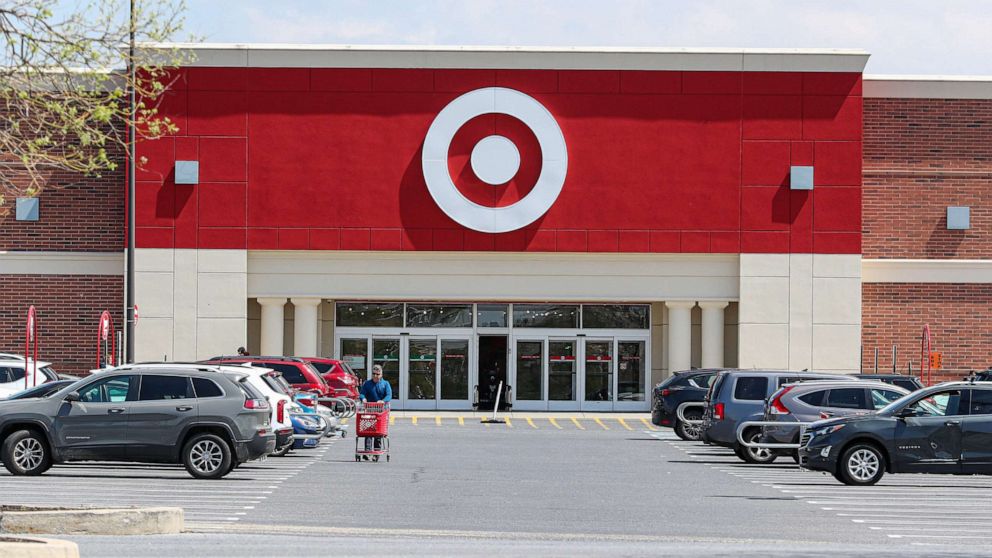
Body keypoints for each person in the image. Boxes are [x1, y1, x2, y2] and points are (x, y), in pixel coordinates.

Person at [359, 365, 392, 454]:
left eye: (377, 374)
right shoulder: (367, 384)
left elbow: (389, 395)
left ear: (381, 374)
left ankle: (377, 450)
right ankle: (368, 450)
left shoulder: (385, 384)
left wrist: (383, 401)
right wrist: (363, 399)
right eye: (374, 374)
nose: (375, 376)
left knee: (378, 431)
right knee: (368, 429)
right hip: (369, 409)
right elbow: (362, 394)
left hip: (381, 411)